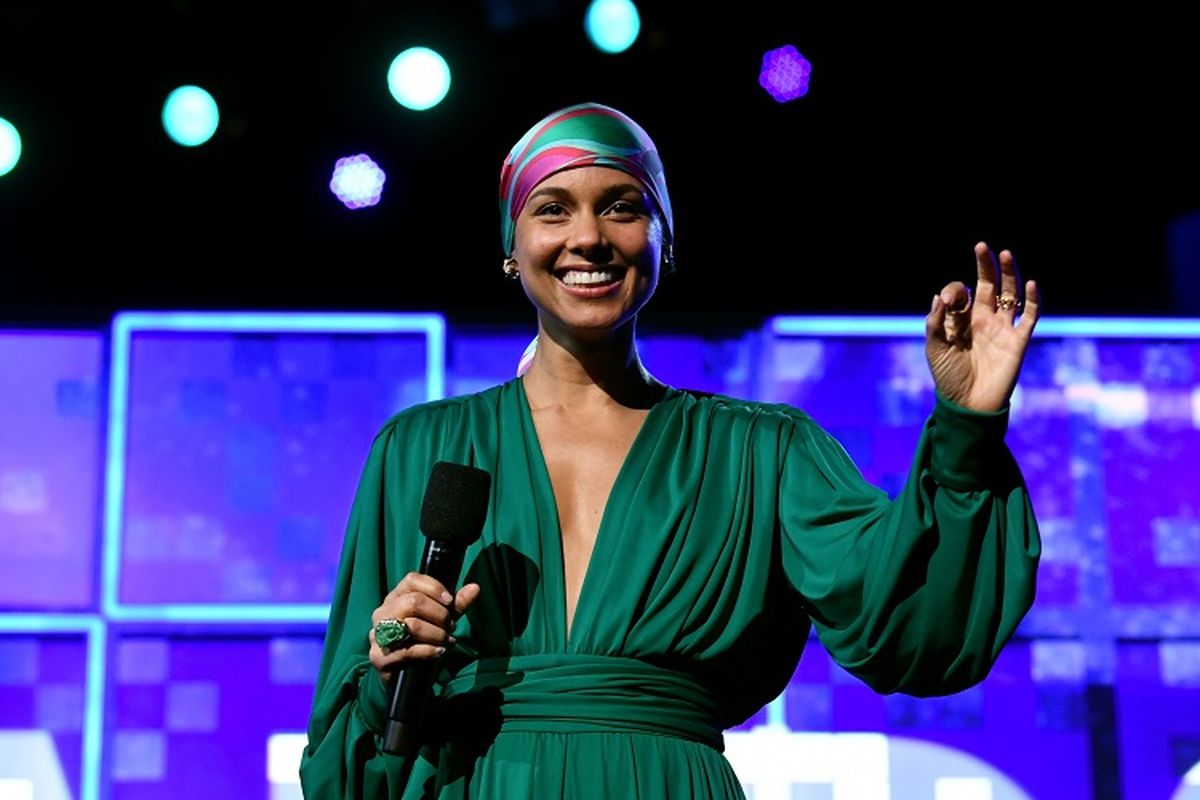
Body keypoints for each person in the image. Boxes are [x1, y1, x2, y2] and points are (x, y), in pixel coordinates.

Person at [299, 101, 1042, 799]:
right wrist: (386, 662)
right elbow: (344, 764)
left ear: (665, 240)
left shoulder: (763, 452)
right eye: (552, 209)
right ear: (510, 247)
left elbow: (914, 622)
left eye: (622, 207)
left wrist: (967, 424)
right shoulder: (418, 449)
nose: (588, 236)